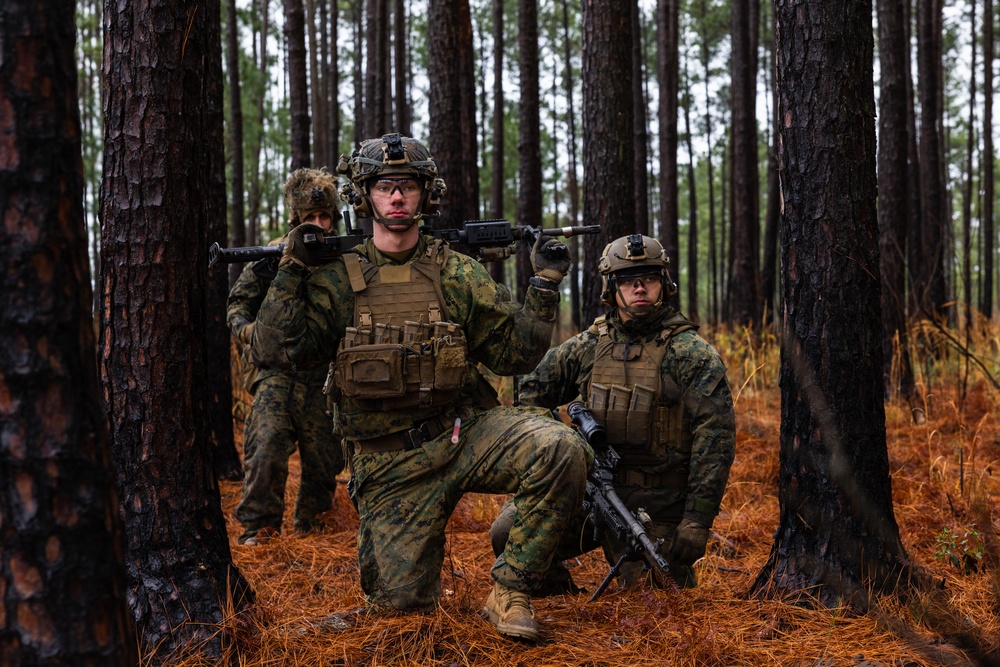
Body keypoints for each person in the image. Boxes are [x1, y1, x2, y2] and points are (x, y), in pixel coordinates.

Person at [250, 132, 591, 642]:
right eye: (385, 185)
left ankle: (512, 587)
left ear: (424, 194)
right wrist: (291, 270)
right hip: (389, 465)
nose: (396, 197)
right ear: (364, 195)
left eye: (407, 185)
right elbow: (274, 350)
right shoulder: (337, 280)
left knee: (560, 447)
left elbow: (513, 354)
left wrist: (542, 286)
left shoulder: (455, 271)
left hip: (462, 434)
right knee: (401, 616)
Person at [490, 233, 736, 590]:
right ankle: (562, 597)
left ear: (664, 284)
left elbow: (715, 441)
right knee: (508, 532)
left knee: (659, 600)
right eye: (626, 280)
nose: (639, 288)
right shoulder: (590, 344)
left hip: (657, 507)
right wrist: (560, 448)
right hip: (590, 492)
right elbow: (532, 391)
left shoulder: (691, 354)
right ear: (610, 287)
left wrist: (697, 520)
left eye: (649, 278)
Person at [228, 167, 346, 545]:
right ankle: (258, 530)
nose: (318, 224)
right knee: (265, 449)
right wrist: (252, 336)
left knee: (325, 460)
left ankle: (315, 528)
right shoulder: (269, 256)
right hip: (276, 374)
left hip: (324, 378)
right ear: (296, 219)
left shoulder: (344, 258)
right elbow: (237, 307)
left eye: (324, 216)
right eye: (310, 218)